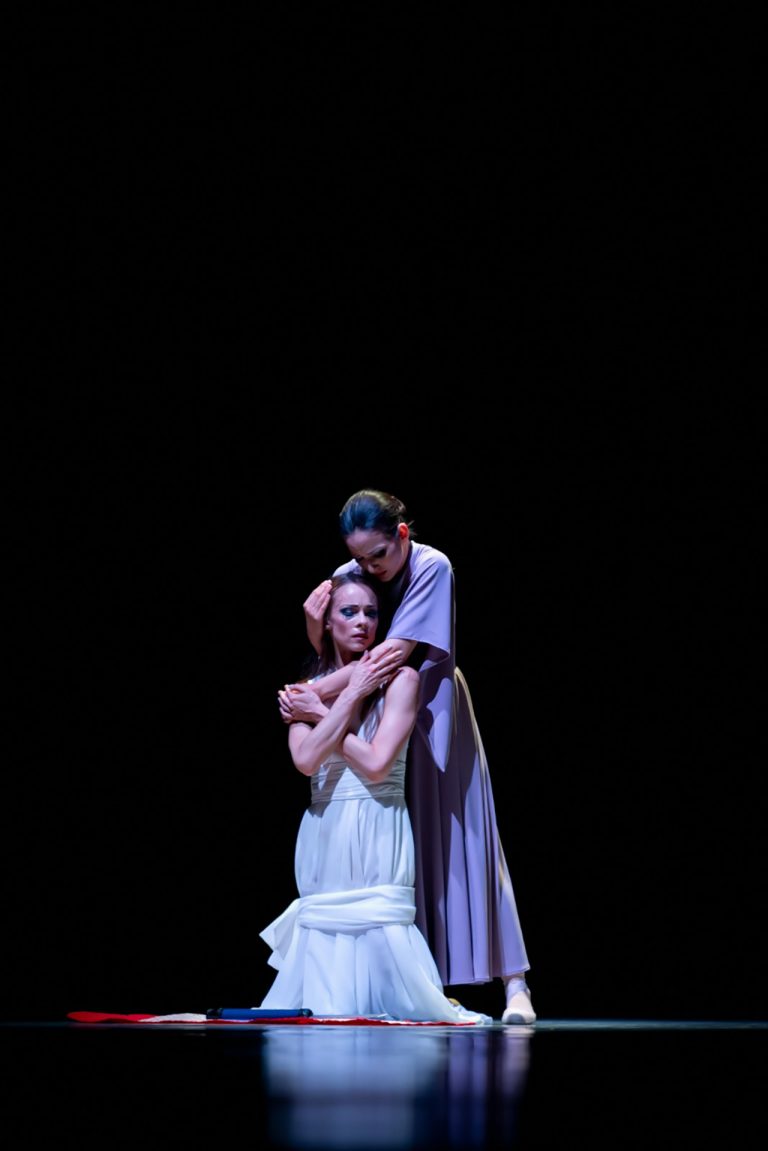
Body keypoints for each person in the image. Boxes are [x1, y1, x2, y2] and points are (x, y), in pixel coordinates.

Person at [280, 491, 535, 1024]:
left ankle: (515, 982)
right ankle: (416, 983)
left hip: (430, 705)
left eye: (378, 555)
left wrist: (313, 698)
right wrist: (316, 648)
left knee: (466, 839)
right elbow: (335, 649)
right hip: (371, 706)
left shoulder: (431, 565)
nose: (368, 568)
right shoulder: (350, 573)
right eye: (359, 557)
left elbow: (393, 655)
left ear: (401, 534)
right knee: (398, 854)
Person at [259, 572, 491, 1025]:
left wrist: (326, 711)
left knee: (380, 920)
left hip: (379, 819)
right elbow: (306, 760)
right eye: (349, 612)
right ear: (327, 622)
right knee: (328, 926)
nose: (362, 622)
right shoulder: (307, 689)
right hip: (326, 827)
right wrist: (348, 695)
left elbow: (378, 763)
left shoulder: (401, 679)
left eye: (371, 613)